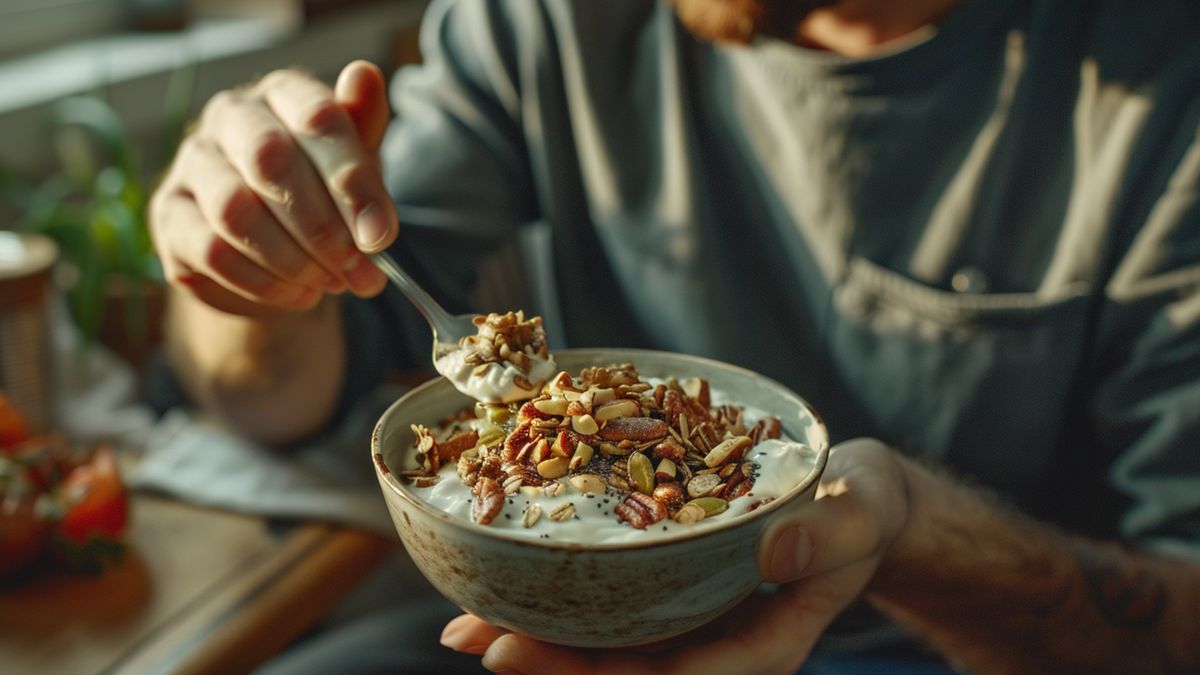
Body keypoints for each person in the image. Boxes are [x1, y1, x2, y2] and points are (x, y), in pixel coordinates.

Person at [149, 0, 1200, 672]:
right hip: (551, 623)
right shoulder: (543, 23)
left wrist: (910, 533)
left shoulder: (1161, 91)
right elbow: (278, 396)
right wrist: (242, 267)